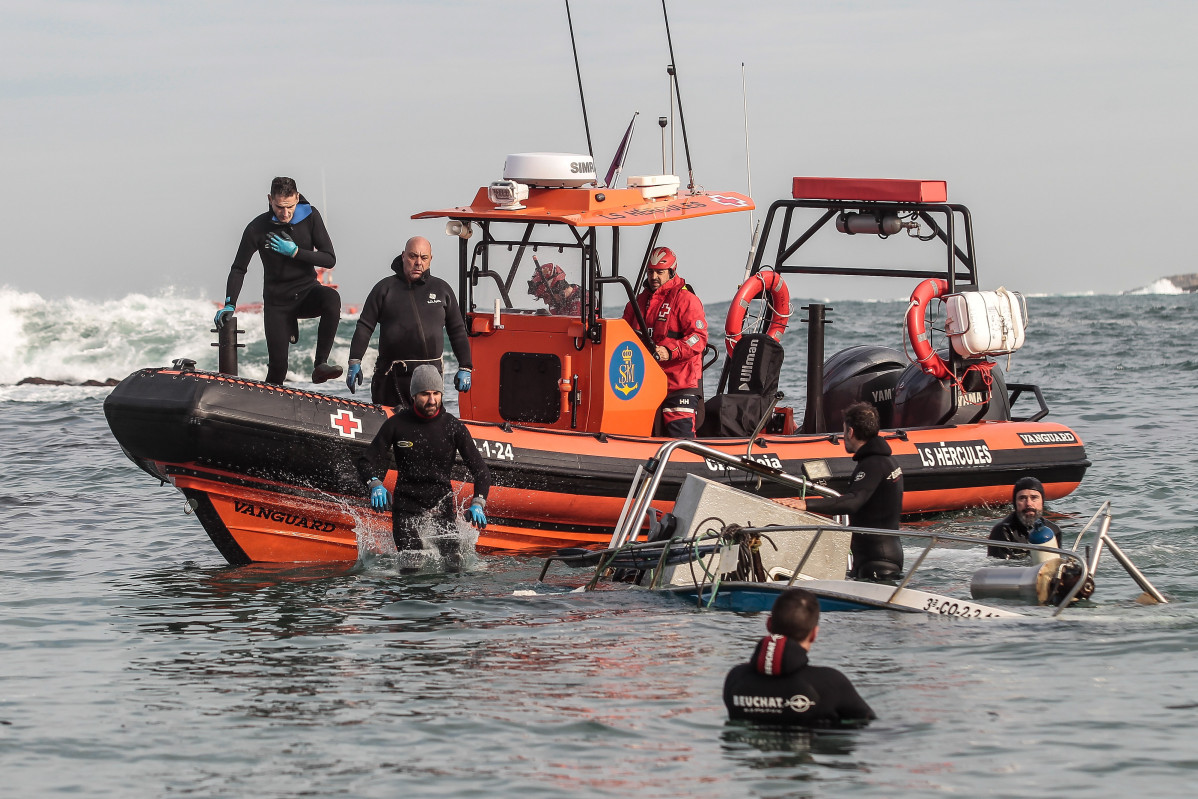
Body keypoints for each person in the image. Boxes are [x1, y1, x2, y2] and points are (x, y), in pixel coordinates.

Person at [214, 176, 343, 385]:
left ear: (297, 198)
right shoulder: (257, 228)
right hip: (277, 304)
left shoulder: (310, 216)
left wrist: (296, 252)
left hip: (307, 293)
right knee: (278, 368)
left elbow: (329, 259)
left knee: (332, 298)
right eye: (279, 207)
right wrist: (230, 303)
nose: (285, 213)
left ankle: (320, 365)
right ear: (270, 200)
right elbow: (239, 268)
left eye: (290, 206)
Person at [356, 365, 491, 555]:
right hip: (406, 510)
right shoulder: (396, 424)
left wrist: (478, 502)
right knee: (412, 567)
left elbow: (481, 471)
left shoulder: (453, 427)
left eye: (436, 393)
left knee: (454, 567)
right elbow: (365, 461)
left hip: (441, 510)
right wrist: (375, 484)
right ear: (413, 396)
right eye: (425, 394)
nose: (432, 400)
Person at [345, 236, 473, 407]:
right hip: (392, 376)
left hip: (429, 379)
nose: (418, 262)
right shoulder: (385, 288)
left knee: (429, 428)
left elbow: (457, 330)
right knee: (391, 429)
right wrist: (355, 361)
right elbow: (365, 326)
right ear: (403, 256)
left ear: (430, 259)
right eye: (413, 256)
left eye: (424, 257)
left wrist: (465, 366)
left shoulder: (442, 289)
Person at [724, 587, 875, 728]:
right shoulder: (831, 683)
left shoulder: (736, 678)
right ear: (814, 633)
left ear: (769, 624)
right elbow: (869, 724)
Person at [789, 402, 904, 580]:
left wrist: (805, 504)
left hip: (876, 562)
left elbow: (853, 501)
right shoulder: (887, 461)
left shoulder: (872, 464)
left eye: (843, 431)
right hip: (881, 555)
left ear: (850, 432)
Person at [622, 246, 708, 438]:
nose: (654, 277)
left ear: (671, 271)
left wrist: (670, 351)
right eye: (651, 272)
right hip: (645, 382)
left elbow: (698, 338)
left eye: (660, 272)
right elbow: (623, 334)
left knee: (680, 434)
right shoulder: (636, 303)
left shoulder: (687, 300)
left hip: (680, 382)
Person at [988, 476, 1062, 558]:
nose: (1028, 503)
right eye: (1022, 498)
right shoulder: (1003, 531)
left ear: (1042, 501)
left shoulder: (1054, 530)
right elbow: (999, 567)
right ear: (1015, 503)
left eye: (1034, 498)